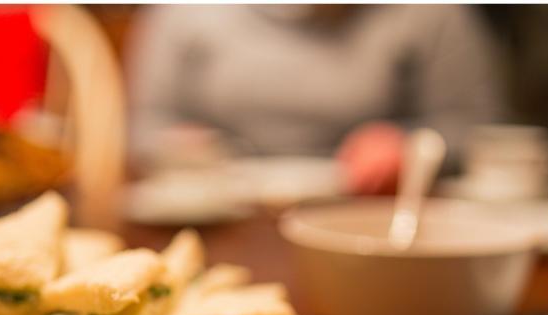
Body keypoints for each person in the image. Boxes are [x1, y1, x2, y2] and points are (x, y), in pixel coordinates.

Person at [126, 5, 504, 194]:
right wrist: (179, 145)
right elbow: (144, 125)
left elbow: (474, 128)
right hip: (219, 215)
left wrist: (411, 146)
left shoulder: (431, 12)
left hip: (373, 215)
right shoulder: (184, 11)